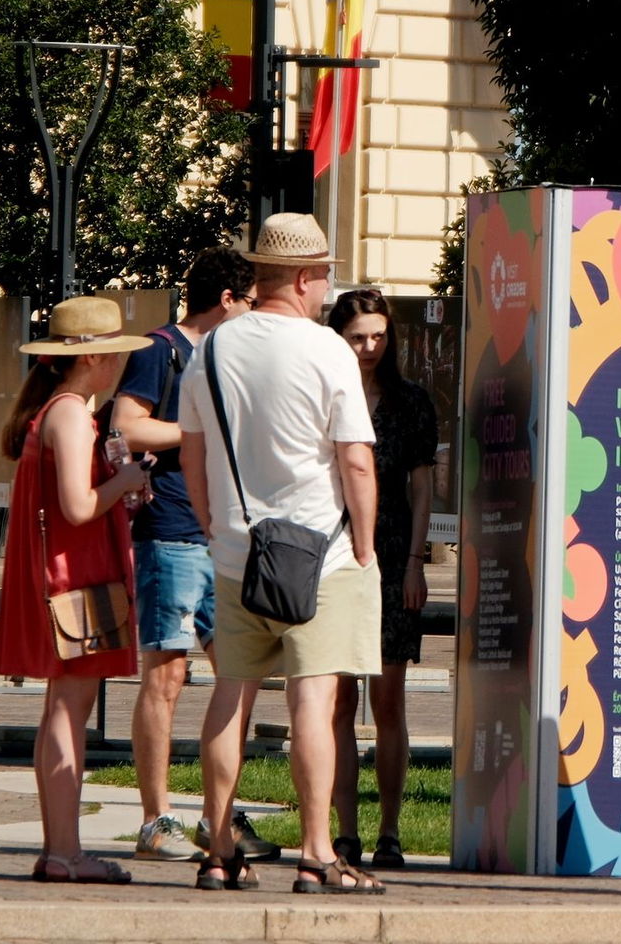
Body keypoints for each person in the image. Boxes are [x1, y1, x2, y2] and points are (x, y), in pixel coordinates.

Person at [181, 213, 386, 895]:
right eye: (326, 275)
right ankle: (317, 851)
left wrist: (215, 526)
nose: (329, 288)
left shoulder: (209, 349)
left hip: (239, 555)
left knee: (229, 697)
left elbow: (193, 450)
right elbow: (355, 460)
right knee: (313, 700)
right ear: (302, 278)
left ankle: (217, 848)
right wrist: (364, 543)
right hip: (319, 553)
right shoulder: (327, 350)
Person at [0, 296, 152, 883]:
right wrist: (127, 480)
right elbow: (79, 507)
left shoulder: (57, 410)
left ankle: (59, 847)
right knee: (67, 712)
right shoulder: (70, 414)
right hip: (75, 580)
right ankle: (64, 852)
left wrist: (117, 485)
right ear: (97, 359)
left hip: (62, 576)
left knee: (59, 710)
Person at [110, 249, 261, 864]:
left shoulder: (235, 355)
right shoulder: (159, 348)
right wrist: (197, 431)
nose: (255, 312)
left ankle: (217, 817)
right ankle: (155, 818)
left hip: (225, 535)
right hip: (170, 530)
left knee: (239, 674)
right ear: (227, 298)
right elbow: (127, 426)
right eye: (250, 300)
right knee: (166, 675)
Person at [326, 288, 439, 870]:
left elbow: (423, 488)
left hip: (395, 554)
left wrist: (417, 560)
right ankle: (345, 832)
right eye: (357, 337)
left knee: (389, 700)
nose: (370, 347)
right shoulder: (326, 392)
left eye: (378, 336)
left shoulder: (410, 401)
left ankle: (390, 831)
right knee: (339, 700)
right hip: (334, 551)